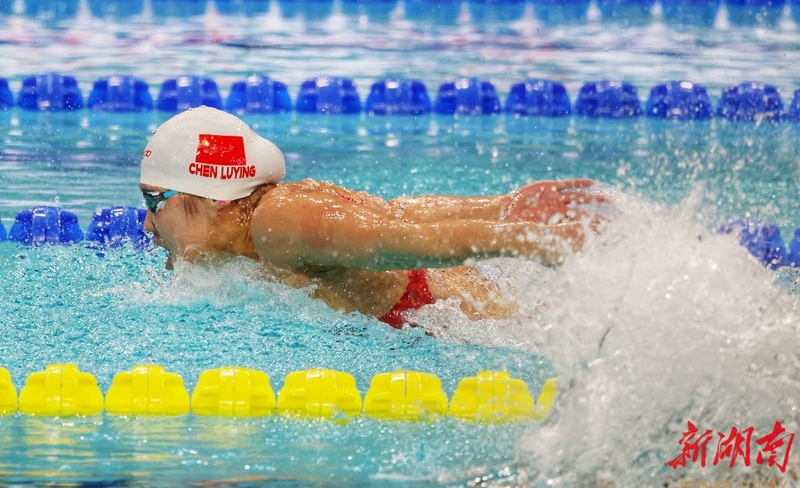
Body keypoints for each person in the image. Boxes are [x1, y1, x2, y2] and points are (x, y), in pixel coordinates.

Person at [140, 107, 604, 328]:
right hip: (436, 309)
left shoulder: (279, 222)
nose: (147, 224)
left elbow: (405, 241)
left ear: (213, 199)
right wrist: (502, 205)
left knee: (555, 329)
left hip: (449, 316)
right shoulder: (254, 226)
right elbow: (395, 214)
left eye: (153, 201)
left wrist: (540, 241)